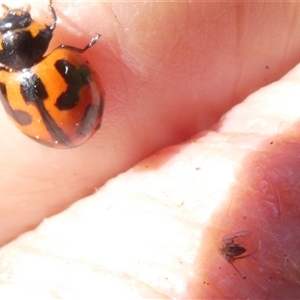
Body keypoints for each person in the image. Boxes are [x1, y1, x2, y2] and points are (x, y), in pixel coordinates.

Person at [0, 1, 299, 298]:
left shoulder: (10, 76)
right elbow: (54, 29)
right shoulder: (55, 53)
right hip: (75, 124)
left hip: (67, 130)